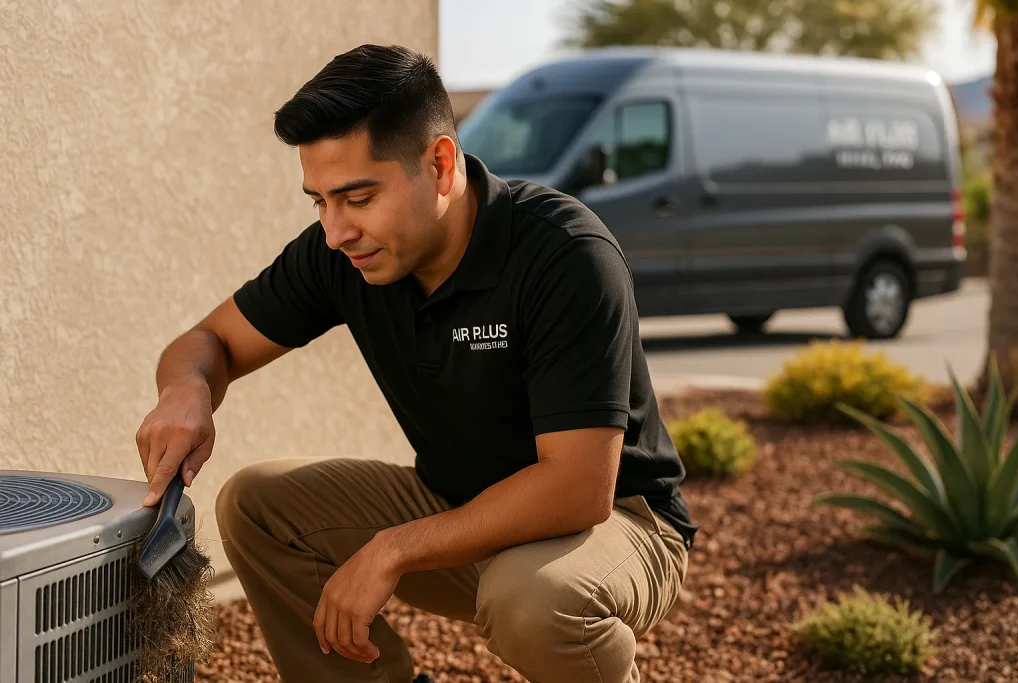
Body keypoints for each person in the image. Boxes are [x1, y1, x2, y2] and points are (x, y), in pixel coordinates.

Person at [135, 43, 699, 683]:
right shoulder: (343, 254)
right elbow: (207, 341)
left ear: (440, 163)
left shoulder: (564, 253)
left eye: (358, 197)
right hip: (459, 505)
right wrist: (187, 389)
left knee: (534, 601)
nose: (336, 230)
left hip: (617, 523)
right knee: (258, 506)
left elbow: (578, 488)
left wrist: (395, 548)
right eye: (318, 201)